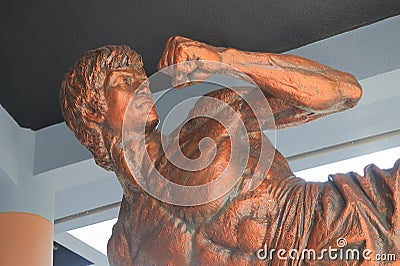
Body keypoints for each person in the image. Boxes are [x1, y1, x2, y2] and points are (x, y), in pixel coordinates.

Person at [60, 36, 399, 265]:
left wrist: (222, 60)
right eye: (126, 81)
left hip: (356, 228)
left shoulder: (213, 121)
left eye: (142, 78)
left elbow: (343, 92)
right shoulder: (123, 248)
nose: (144, 87)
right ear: (93, 111)